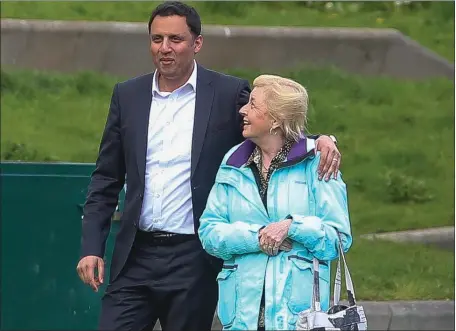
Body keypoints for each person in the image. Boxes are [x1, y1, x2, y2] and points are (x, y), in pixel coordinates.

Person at [75, 2, 342, 331]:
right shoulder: (128, 95)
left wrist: (322, 140)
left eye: (176, 39)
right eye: (157, 39)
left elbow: (272, 126)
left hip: (195, 258)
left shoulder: (227, 92)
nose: (165, 48)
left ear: (197, 43)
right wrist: (91, 247)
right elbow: (106, 177)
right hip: (136, 254)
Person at [198, 74, 352, 330]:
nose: (243, 110)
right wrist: (256, 237)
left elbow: (338, 238)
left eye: (253, 105)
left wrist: (292, 227)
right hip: (241, 319)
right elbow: (209, 232)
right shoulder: (232, 162)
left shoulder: (318, 163)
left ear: (276, 120)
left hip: (297, 320)